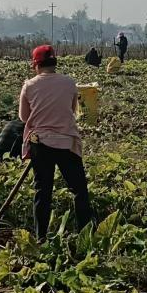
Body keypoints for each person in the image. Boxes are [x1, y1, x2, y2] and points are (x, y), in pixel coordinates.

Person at [20, 45, 95, 239]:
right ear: (54, 63)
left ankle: (40, 238)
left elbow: (23, 117)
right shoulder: (69, 83)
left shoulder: (29, 85)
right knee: (79, 190)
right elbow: (72, 109)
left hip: (40, 143)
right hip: (66, 142)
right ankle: (85, 234)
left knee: (42, 191)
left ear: (35, 65)